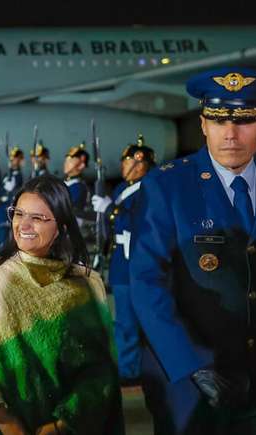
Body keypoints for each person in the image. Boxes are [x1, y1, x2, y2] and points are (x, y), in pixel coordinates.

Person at [129, 67, 256, 434]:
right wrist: (190, 365)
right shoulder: (167, 186)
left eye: (244, 120)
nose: (230, 133)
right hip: (188, 385)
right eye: (218, 120)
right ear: (203, 124)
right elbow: (146, 283)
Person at [0, 174, 123, 435]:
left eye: (38, 218)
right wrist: (6, 420)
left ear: (61, 226)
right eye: (18, 214)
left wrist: (62, 424)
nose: (24, 225)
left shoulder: (87, 283)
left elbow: (99, 370)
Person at [91, 135, 156, 383]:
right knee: (123, 318)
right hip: (120, 261)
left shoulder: (149, 189)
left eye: (127, 161)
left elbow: (136, 223)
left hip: (136, 262)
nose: (123, 165)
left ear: (141, 163)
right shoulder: (121, 189)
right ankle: (127, 364)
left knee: (131, 321)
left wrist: (109, 209)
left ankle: (130, 370)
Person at [62, 142, 90, 212]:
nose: (66, 164)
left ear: (81, 165)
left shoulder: (79, 187)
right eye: (66, 160)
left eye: (70, 161)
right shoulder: (65, 182)